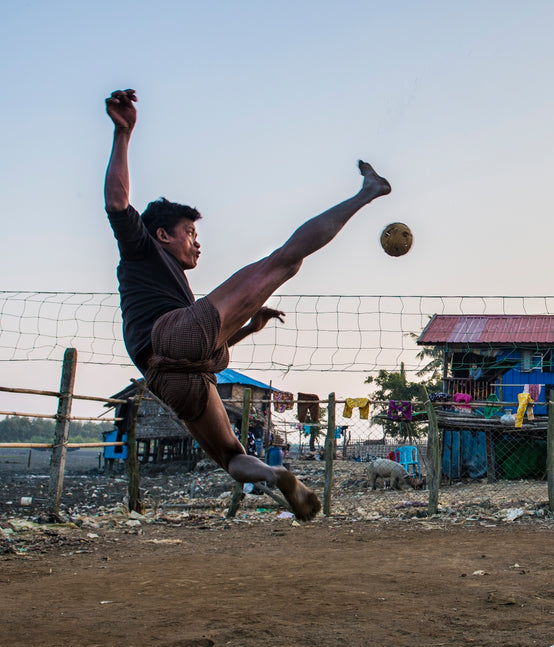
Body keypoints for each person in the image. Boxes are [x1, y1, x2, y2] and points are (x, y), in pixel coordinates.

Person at [104, 88, 394, 520]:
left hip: (173, 377)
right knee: (284, 259)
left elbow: (194, 351)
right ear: (163, 234)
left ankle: (276, 477)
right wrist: (123, 134)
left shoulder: (172, 285)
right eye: (189, 232)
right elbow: (117, 202)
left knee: (232, 458)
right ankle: (367, 192)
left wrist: (246, 329)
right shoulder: (142, 248)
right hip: (176, 340)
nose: (197, 244)